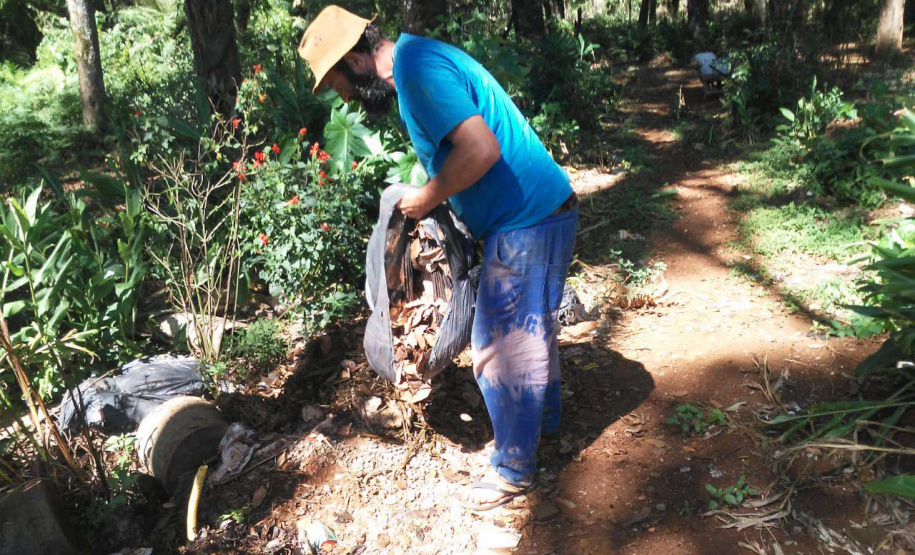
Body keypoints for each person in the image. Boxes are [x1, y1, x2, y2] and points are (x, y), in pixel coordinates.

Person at [299, 6, 578, 511]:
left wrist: (428, 196)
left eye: (336, 82)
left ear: (354, 61)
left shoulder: (415, 70)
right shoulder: (418, 62)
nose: (341, 97)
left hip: (526, 220)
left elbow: (480, 149)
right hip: (541, 212)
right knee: (533, 335)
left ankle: (514, 468)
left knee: (499, 345)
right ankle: (546, 429)